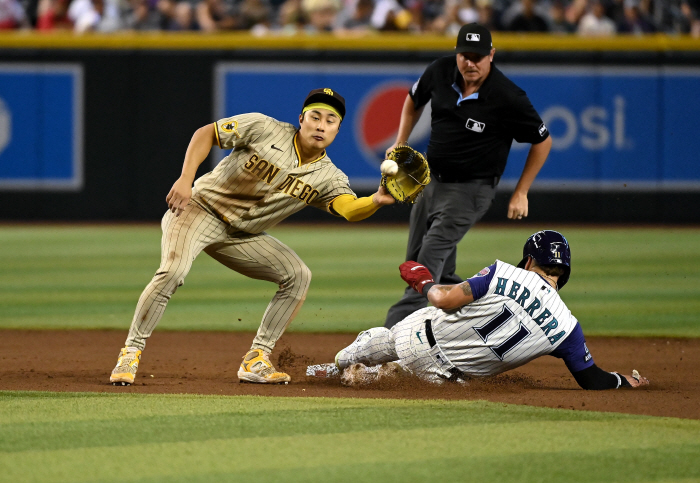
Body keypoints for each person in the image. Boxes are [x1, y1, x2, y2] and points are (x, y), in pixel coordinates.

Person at [110, 88, 395, 386]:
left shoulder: (330, 177)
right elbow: (206, 133)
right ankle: (131, 351)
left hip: (243, 235)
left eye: (331, 120)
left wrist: (375, 200)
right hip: (198, 210)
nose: (321, 125)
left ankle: (256, 358)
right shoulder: (263, 127)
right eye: (315, 117)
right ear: (302, 119)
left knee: (298, 275)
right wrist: (185, 179)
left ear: (338, 128)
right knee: (173, 271)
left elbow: (348, 209)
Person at [383, 22, 552, 329]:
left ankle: (385, 342)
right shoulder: (440, 71)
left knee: (422, 269)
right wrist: (400, 141)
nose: (470, 62)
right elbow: (413, 100)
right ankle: (471, 326)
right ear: (457, 54)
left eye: (478, 56)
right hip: (430, 182)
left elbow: (543, 140)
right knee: (428, 268)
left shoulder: (507, 95)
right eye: (465, 55)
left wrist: (521, 192)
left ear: (491, 55)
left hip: (470, 191)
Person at [332, 230, 649, 390]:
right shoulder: (567, 327)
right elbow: (592, 379)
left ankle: (333, 367)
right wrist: (625, 381)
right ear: (564, 273)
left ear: (528, 261)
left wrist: (424, 282)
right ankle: (372, 375)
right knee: (388, 377)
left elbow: (443, 299)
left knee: (379, 342)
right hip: (442, 378)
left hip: (414, 335)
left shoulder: (504, 273)